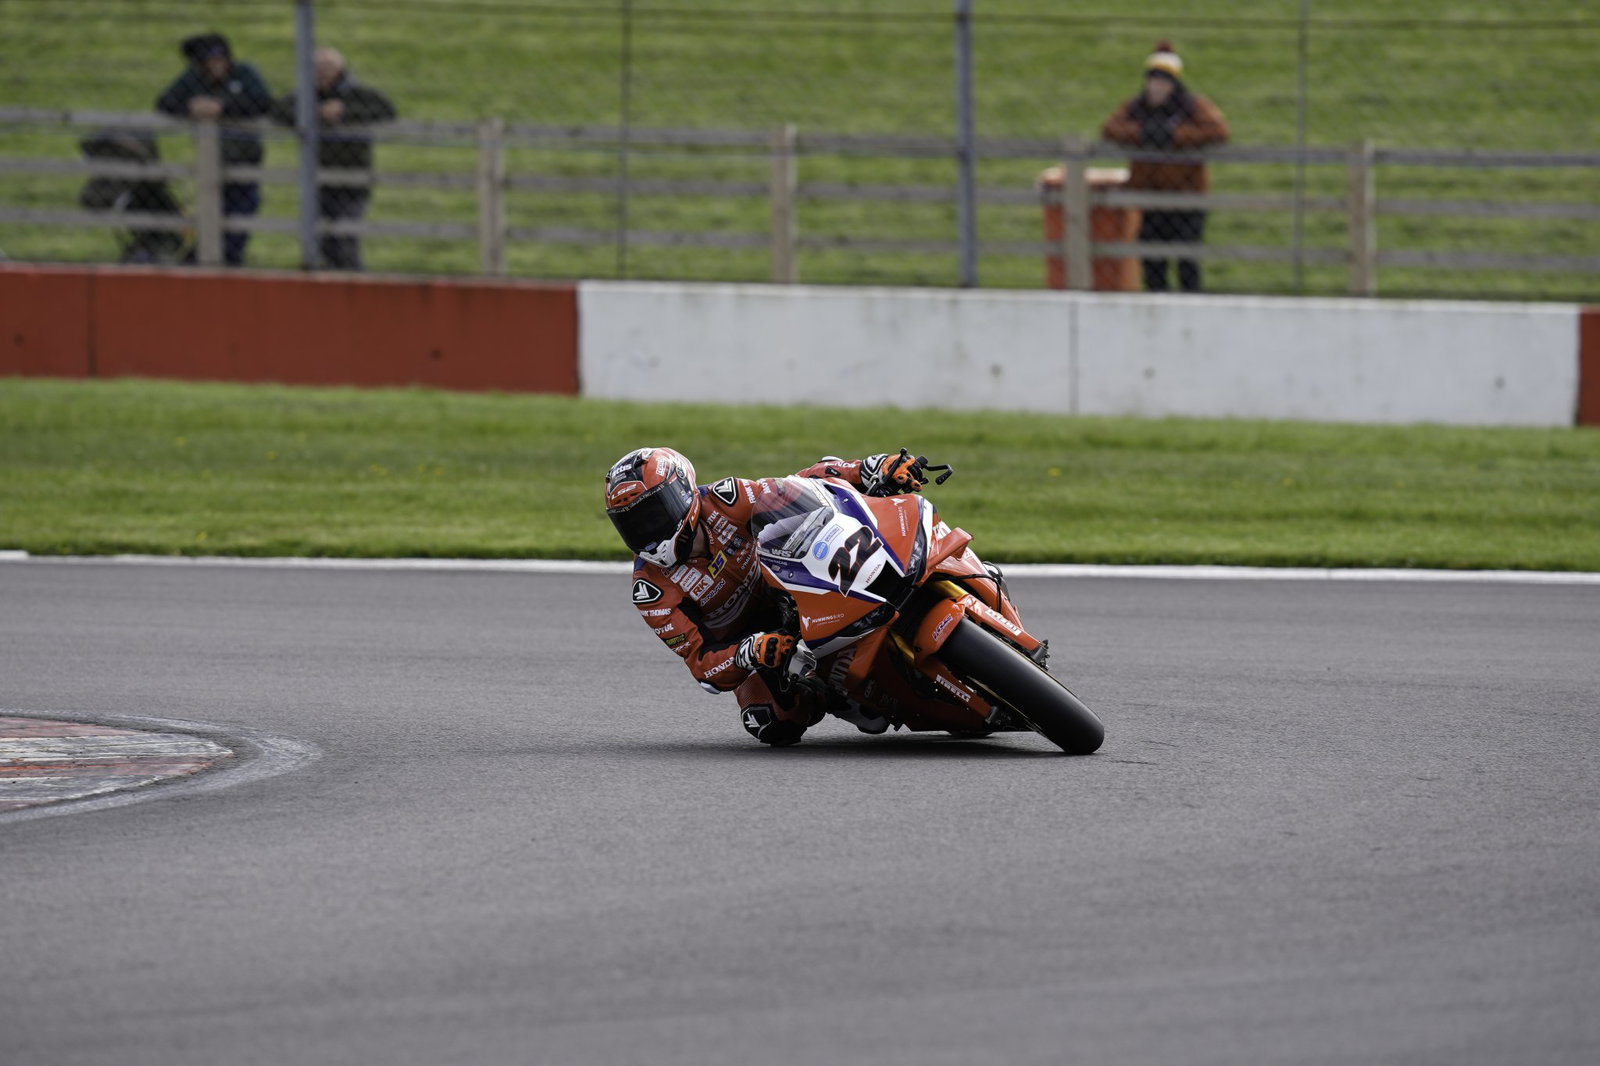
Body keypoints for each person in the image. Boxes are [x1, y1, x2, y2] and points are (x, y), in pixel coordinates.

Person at [605, 447, 929, 747]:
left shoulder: (725, 499)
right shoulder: (652, 590)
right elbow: (702, 666)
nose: (648, 531)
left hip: (795, 587)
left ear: (683, 492)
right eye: (633, 525)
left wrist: (867, 471)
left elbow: (798, 485)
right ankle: (832, 693)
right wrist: (748, 653)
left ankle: (964, 571)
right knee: (769, 721)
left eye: (653, 514)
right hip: (758, 640)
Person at [1100, 40, 1230, 293]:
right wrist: (1142, 134)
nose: (1157, 87)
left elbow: (1218, 131)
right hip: (1151, 197)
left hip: (1187, 197)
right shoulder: (1136, 108)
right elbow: (1110, 129)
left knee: (1187, 259)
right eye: (1153, 81)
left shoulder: (1191, 107)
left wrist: (1174, 136)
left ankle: (1191, 305)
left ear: (1174, 84)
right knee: (1152, 260)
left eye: (1163, 82)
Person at [270, 47, 397, 270]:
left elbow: (386, 110)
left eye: (328, 67)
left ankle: (353, 283)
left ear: (340, 69)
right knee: (320, 238)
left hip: (353, 176)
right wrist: (315, 113)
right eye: (317, 68)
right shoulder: (306, 95)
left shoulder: (357, 94)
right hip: (316, 177)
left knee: (346, 237)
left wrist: (344, 112)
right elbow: (279, 111)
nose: (323, 73)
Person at [155, 33, 272, 267]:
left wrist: (223, 108)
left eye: (220, 59)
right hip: (212, 161)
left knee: (241, 213)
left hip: (245, 160)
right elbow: (165, 103)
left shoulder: (244, 74)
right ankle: (203, 262)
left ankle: (228, 261)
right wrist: (191, 106)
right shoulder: (194, 79)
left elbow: (264, 103)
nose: (216, 65)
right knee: (212, 215)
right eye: (210, 61)